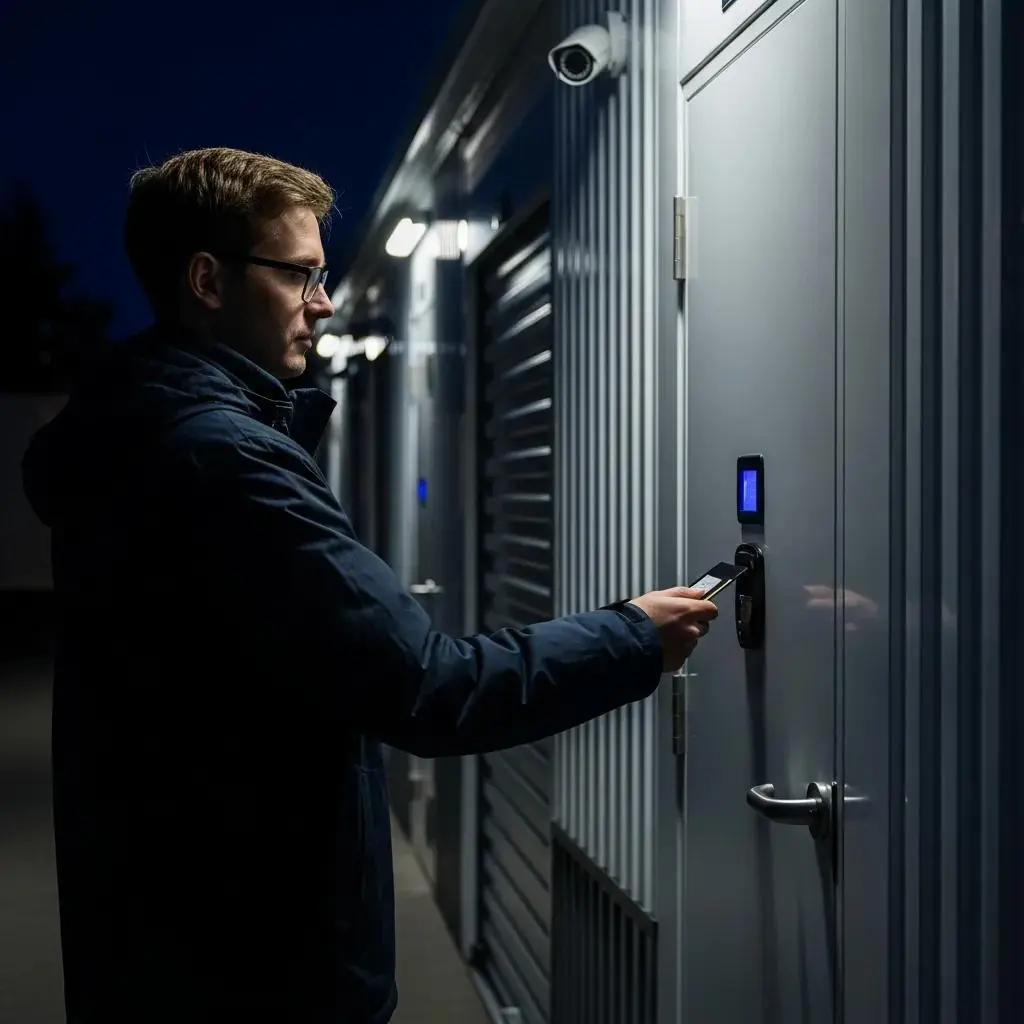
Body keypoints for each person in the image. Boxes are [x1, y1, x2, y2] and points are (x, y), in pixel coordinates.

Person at [20, 147, 719, 1023]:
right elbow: (428, 688)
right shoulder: (223, 460)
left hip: (161, 936)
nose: (325, 301)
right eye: (301, 276)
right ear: (207, 279)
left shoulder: (131, 436)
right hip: (257, 964)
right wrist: (631, 636)